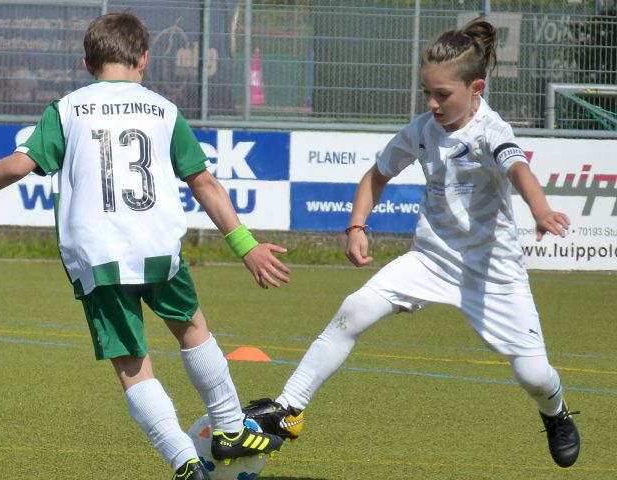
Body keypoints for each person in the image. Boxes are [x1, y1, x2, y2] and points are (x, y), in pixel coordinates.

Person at [0, 12, 289, 480]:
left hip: (97, 255)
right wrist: (246, 247)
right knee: (192, 328)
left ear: (86, 63)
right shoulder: (163, 110)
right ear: (145, 58)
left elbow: (19, 165)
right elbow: (204, 183)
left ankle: (185, 463)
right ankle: (229, 428)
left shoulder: (68, 109)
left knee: (132, 364)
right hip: (157, 246)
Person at [243, 18, 580, 469]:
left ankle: (556, 412)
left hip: (493, 273)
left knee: (533, 375)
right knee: (355, 308)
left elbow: (518, 168)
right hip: (430, 260)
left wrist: (539, 209)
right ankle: (289, 409)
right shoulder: (422, 129)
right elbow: (376, 175)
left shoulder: (492, 131)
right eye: (427, 93)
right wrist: (356, 227)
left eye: (443, 94)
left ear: (476, 88)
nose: (432, 103)